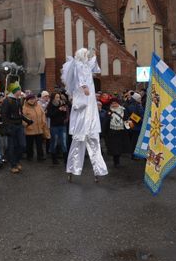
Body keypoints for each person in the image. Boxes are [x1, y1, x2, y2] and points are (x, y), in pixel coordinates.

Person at [62, 48, 108, 182]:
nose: (87, 57)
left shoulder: (87, 65)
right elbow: (79, 75)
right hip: (82, 110)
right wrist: (84, 86)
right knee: (78, 142)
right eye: (86, 55)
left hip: (91, 110)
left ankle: (98, 170)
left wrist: (94, 55)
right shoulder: (78, 64)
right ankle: (72, 169)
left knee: (94, 142)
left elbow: (95, 67)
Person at [0, 82, 26, 174]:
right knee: (12, 146)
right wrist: (7, 127)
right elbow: (4, 115)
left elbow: (20, 113)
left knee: (22, 145)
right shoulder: (7, 101)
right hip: (11, 126)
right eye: (19, 89)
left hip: (19, 126)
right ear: (15, 91)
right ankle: (13, 165)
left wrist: (26, 120)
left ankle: (17, 160)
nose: (20, 91)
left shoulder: (18, 100)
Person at [105, 97, 131, 168]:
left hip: (121, 131)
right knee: (114, 148)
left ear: (118, 103)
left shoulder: (123, 110)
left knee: (119, 147)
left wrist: (128, 127)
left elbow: (126, 119)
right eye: (112, 103)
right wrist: (104, 132)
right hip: (112, 132)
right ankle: (116, 162)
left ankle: (117, 159)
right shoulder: (108, 111)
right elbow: (106, 121)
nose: (114, 104)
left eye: (115, 103)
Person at [22, 93, 47, 161]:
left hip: (39, 128)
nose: (32, 100)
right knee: (29, 144)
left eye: (33, 99)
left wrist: (43, 122)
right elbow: (22, 118)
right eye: (30, 99)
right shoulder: (24, 108)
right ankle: (29, 156)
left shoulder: (38, 106)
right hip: (30, 129)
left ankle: (40, 156)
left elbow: (43, 114)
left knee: (39, 144)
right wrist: (26, 125)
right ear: (27, 100)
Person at [46, 92, 68, 164]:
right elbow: (49, 115)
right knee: (54, 142)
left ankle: (66, 159)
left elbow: (64, 115)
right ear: (53, 98)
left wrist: (64, 111)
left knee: (64, 142)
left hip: (62, 125)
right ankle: (54, 159)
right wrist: (58, 110)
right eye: (57, 97)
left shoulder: (62, 103)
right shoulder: (50, 105)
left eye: (59, 97)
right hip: (54, 126)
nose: (58, 99)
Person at [126, 92, 144, 158]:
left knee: (136, 140)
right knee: (135, 141)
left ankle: (135, 153)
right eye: (139, 98)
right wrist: (141, 121)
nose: (140, 99)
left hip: (137, 125)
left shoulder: (137, 104)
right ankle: (134, 154)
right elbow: (133, 116)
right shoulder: (133, 106)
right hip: (136, 126)